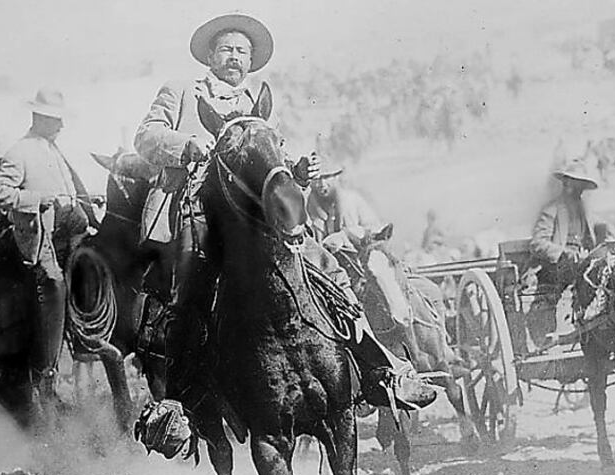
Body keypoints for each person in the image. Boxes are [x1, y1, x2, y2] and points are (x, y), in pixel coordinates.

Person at [132, 14, 436, 449]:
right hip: (198, 211)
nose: (234, 57)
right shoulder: (182, 92)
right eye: (227, 49)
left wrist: (300, 173)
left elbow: (276, 164)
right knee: (188, 294)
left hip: (258, 219)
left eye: (242, 52)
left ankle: (379, 367)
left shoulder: (262, 102)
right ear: (211, 56)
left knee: (327, 269)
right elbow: (145, 137)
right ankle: (178, 407)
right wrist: (185, 145)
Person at [0, 88, 94, 402]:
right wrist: (34, 200)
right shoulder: (19, 151)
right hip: (40, 239)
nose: (61, 126)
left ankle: (90, 342)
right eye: (56, 120)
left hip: (69, 231)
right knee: (54, 286)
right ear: (41, 118)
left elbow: (70, 192)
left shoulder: (55, 150)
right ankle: (46, 369)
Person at [528, 160, 598, 349]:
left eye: (582, 185)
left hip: (580, 264)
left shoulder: (584, 210)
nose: (580, 190)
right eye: (577, 184)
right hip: (554, 268)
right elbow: (537, 243)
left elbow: (591, 239)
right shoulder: (552, 209)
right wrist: (563, 253)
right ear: (566, 183)